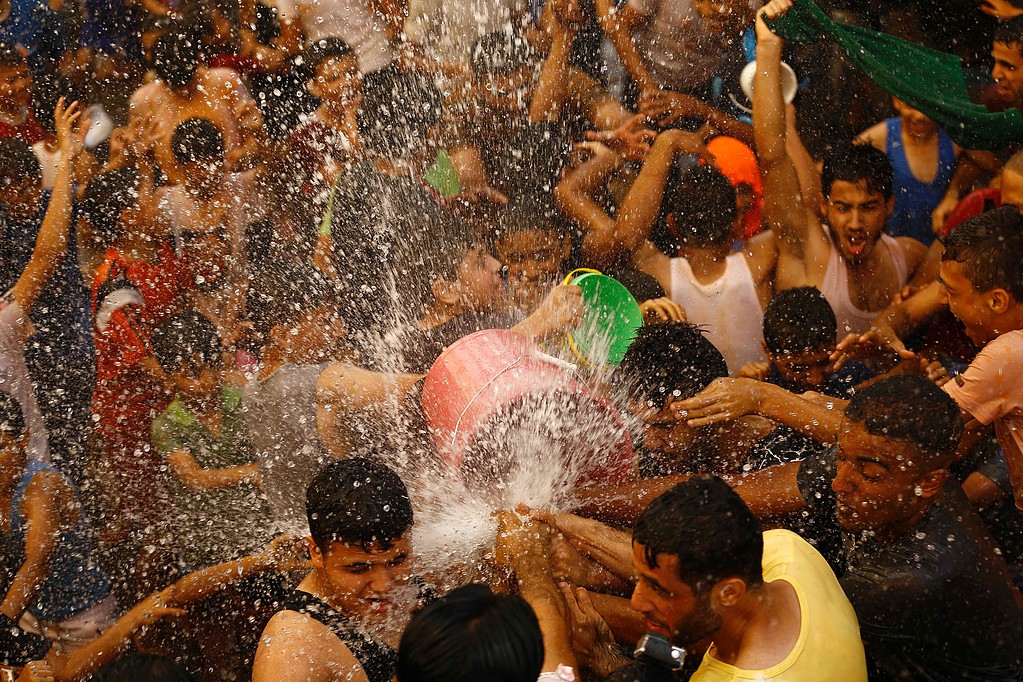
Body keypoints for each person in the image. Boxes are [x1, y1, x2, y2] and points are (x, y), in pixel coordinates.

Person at [563, 477, 866, 680]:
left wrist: (603, 656)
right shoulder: (791, 553)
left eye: (659, 590)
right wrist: (583, 532)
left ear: (730, 593)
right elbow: (675, 567)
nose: (637, 601)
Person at [755, 0, 928, 339]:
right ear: (824, 206)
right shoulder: (807, 249)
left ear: (890, 205)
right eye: (843, 208)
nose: (855, 223)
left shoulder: (909, 257)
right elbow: (772, 156)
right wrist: (768, 46)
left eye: (869, 207)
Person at [556, 130, 774, 374]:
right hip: (758, 395)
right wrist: (711, 117)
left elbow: (571, 195)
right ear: (737, 222)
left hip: (685, 397)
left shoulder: (658, 271)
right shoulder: (760, 262)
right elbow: (778, 160)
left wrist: (662, 146)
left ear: (671, 224)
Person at [252, 457, 422, 682]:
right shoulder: (294, 652)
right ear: (315, 552)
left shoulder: (433, 571)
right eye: (358, 569)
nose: (384, 586)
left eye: (396, 561)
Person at [150, 311, 271, 569]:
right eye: (190, 376)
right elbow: (194, 478)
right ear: (169, 378)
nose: (203, 383)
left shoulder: (243, 401)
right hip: (207, 540)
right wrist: (252, 473)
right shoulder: (167, 424)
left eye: (209, 370)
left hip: (262, 530)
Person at [939, 206, 1023, 509]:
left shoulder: (1009, 354)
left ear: (997, 300)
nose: (944, 301)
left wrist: (803, 406)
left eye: (952, 292)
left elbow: (912, 425)